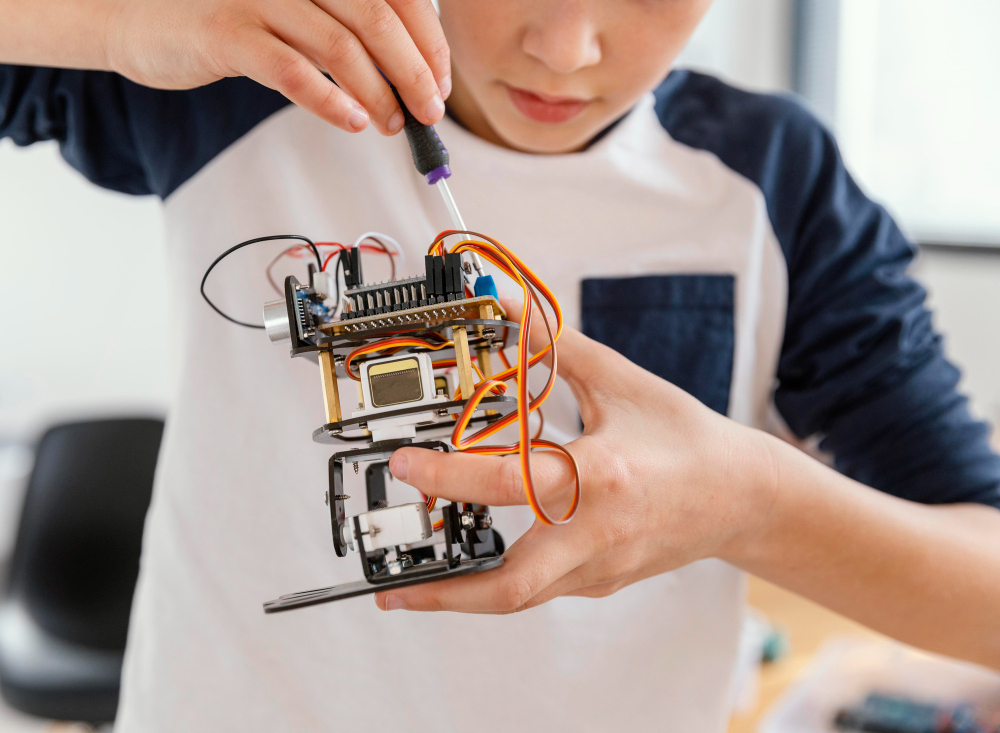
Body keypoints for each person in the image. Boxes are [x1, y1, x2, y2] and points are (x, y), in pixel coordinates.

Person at [3, 1, 999, 730]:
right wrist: (108, 21)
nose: (566, 49)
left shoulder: (775, 183)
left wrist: (753, 504)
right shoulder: (240, 86)